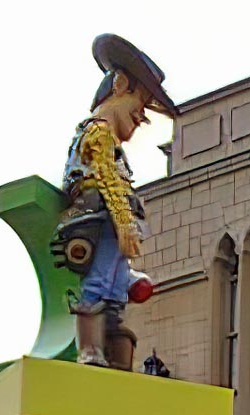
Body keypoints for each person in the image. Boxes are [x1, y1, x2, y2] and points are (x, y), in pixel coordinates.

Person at [57, 34, 178, 368]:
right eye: (138, 109)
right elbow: (94, 179)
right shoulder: (95, 134)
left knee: (113, 287)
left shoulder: (112, 146)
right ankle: (90, 349)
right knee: (98, 281)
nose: (139, 120)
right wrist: (120, 215)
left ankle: (112, 347)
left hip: (115, 224)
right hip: (97, 220)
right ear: (120, 84)